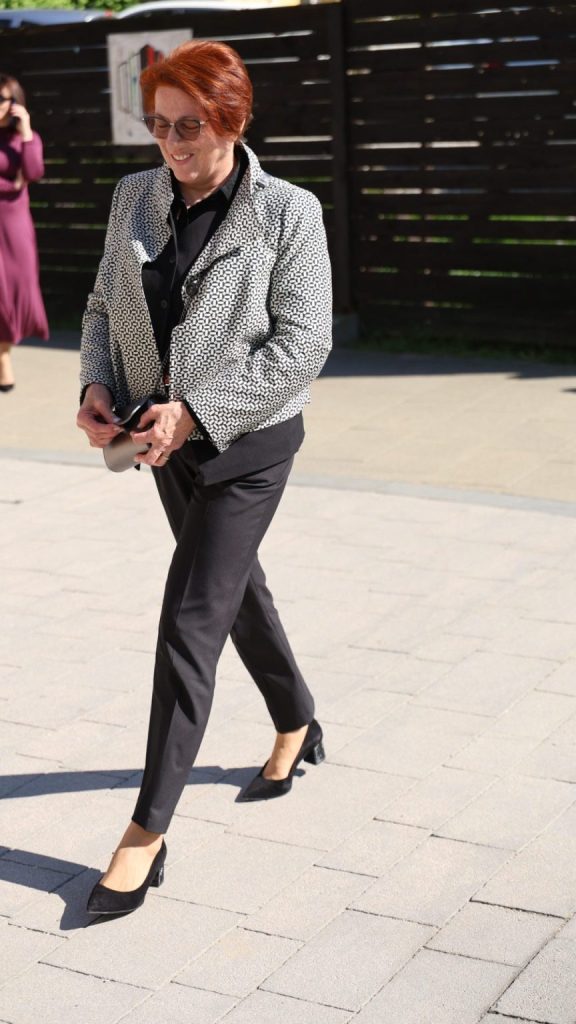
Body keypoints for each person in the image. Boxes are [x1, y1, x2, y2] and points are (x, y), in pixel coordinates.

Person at [77, 39, 332, 917]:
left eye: (190, 126)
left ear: (233, 118)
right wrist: (95, 385)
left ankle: (144, 834)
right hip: (159, 440)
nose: (172, 143)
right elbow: (103, 305)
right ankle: (296, 719)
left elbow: (304, 343)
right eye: (159, 125)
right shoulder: (135, 195)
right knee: (233, 591)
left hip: (249, 447)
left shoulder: (289, 211)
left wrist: (198, 411)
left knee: (191, 618)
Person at [0, 74, 49, 391]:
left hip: (14, 224)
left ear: (14, 103)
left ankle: (3, 352)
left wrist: (27, 129)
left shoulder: (26, 139)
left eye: (2, 98)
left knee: (16, 288)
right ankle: (3, 360)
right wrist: (11, 185)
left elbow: (33, 171)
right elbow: (18, 181)